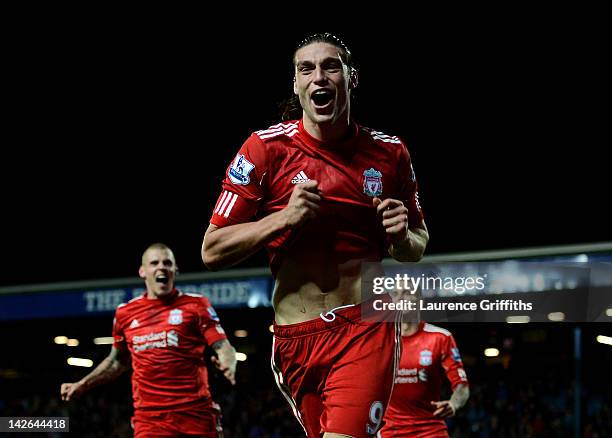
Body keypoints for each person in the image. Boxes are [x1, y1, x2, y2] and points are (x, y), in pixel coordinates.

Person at [202, 33, 429, 438]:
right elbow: (212, 249)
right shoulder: (264, 150)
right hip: (294, 340)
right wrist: (283, 219)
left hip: (365, 328)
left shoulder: (391, 153)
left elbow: (417, 243)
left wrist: (400, 238)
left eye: (331, 66)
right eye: (306, 69)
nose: (318, 77)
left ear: (351, 78)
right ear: (295, 84)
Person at [61, 243, 237, 437]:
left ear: (175, 270)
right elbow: (117, 361)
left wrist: (228, 363)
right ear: (143, 271)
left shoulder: (196, 305)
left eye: (167, 263)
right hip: (150, 420)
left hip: (195, 415)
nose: (161, 267)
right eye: (154, 263)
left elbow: (223, 346)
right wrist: (83, 384)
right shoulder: (124, 313)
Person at [379, 319, 470, 437]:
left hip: (431, 431)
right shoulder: (379, 338)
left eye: (409, 298)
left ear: (420, 299)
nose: (403, 299)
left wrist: (453, 403)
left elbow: (462, 385)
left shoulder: (441, 337)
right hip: (390, 432)